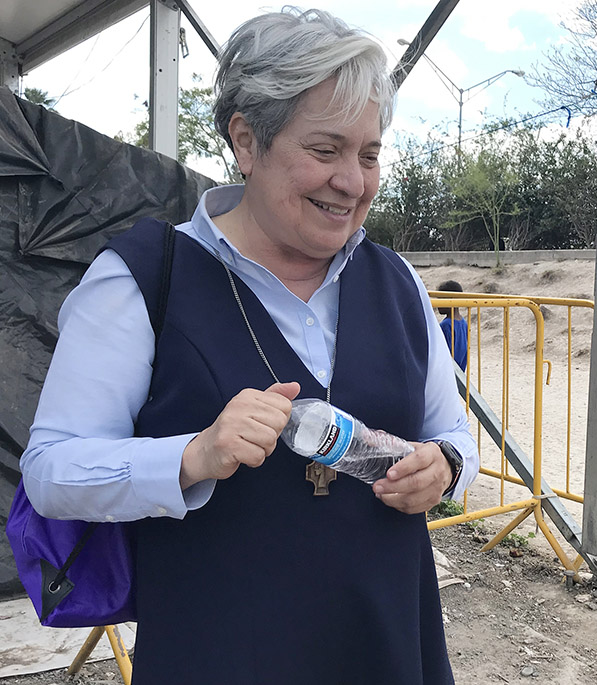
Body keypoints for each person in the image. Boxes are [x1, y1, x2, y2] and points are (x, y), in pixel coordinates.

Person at [20, 8, 478, 684]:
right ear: (246, 140)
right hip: (219, 651)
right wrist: (193, 454)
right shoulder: (145, 277)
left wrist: (441, 465)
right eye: (325, 150)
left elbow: (454, 438)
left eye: (369, 153)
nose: (352, 180)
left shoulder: (397, 280)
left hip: (386, 646)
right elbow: (51, 472)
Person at [437, 280, 468, 371]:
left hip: (448, 372)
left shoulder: (446, 325)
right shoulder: (463, 323)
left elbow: (441, 355)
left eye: (441, 299)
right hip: (459, 372)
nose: (438, 304)